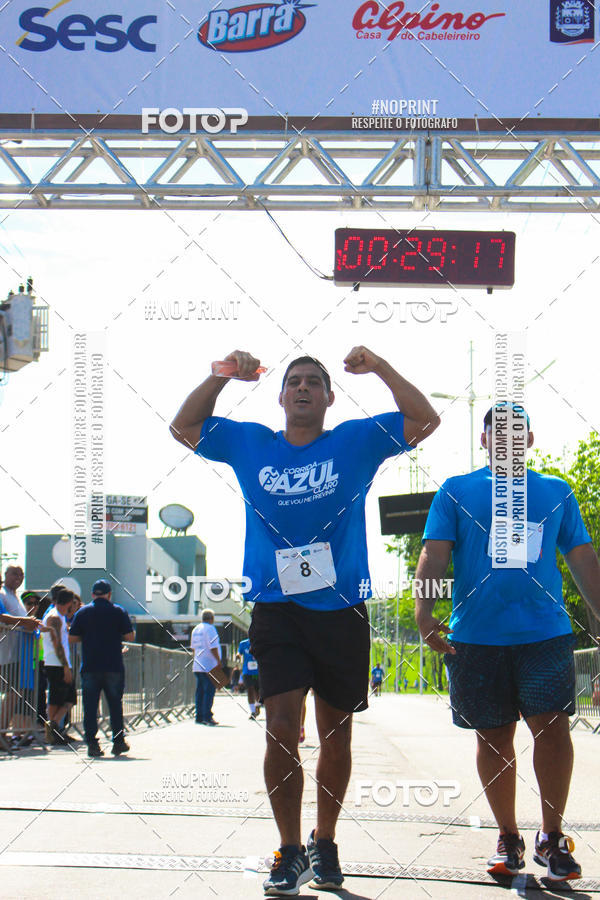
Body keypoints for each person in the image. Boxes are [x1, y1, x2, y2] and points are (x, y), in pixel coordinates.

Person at [170, 346, 439, 895]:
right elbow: (184, 427)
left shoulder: (354, 442)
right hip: (277, 609)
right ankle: (290, 850)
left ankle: (325, 841)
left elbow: (425, 420)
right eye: (294, 381)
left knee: (336, 738)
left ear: (329, 398)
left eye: (314, 382)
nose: (302, 388)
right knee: (280, 731)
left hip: (341, 610)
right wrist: (221, 375)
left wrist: (381, 367)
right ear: (280, 396)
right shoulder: (252, 443)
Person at [415, 404, 600, 883]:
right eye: (496, 431)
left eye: (517, 430)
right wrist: (424, 612)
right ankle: (508, 836)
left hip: (544, 633)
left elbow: (582, 558)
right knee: (494, 737)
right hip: (477, 637)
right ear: (483, 440)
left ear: (530, 440)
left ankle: (552, 837)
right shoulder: (456, 491)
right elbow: (434, 554)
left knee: (552, 730)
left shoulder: (556, 492)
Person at [68, 579, 135, 758]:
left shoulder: (83, 612)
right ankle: (118, 742)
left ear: (92, 594)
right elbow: (130, 636)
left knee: (90, 706)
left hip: (90, 665)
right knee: (115, 704)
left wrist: (88, 636)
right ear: (109, 594)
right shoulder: (118, 611)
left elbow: (72, 638)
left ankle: (92, 744)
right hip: (113, 665)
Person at [42, 588, 76, 745]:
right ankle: (52, 728)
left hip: (59, 663)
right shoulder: (54, 617)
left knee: (68, 698)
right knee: (58, 699)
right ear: (69, 602)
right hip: (55, 663)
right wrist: (65, 667)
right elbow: (57, 644)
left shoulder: (60, 617)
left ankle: (54, 725)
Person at [190, 609, 222, 725]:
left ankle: (199, 716)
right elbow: (213, 646)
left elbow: (193, 648)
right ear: (212, 619)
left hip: (198, 664)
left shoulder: (195, 629)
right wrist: (218, 661)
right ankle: (207, 716)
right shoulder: (210, 629)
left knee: (200, 691)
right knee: (209, 691)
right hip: (209, 665)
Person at [237, 636, 261, 719]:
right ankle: (253, 711)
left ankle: (257, 705)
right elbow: (239, 653)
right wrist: (238, 655)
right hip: (247, 671)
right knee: (250, 690)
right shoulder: (243, 643)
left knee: (257, 690)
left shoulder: (260, 642)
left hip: (258, 671)